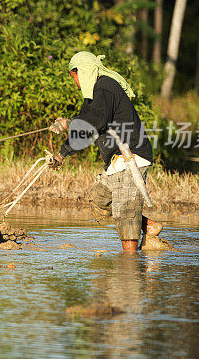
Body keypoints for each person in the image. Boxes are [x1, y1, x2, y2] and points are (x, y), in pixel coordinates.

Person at [49, 51, 162, 253]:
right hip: (115, 161)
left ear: (82, 71)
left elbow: (95, 123)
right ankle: (148, 226)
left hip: (130, 157)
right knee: (99, 202)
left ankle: (130, 264)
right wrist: (61, 155)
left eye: (73, 76)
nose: (74, 82)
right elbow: (84, 131)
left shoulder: (105, 86)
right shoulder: (93, 95)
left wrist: (68, 123)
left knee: (125, 213)